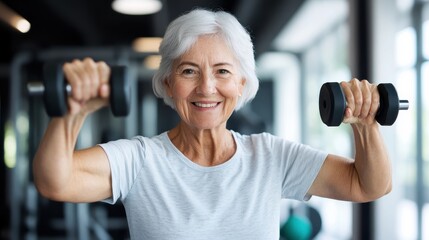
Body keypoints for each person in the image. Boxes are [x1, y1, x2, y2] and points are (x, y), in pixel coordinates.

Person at [33, 9, 392, 239]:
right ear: (168, 84)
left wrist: (365, 125)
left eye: (222, 71)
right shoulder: (139, 160)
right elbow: (56, 181)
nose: (206, 87)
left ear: (242, 83)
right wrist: (71, 112)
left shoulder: (271, 156)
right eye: (189, 71)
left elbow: (367, 185)